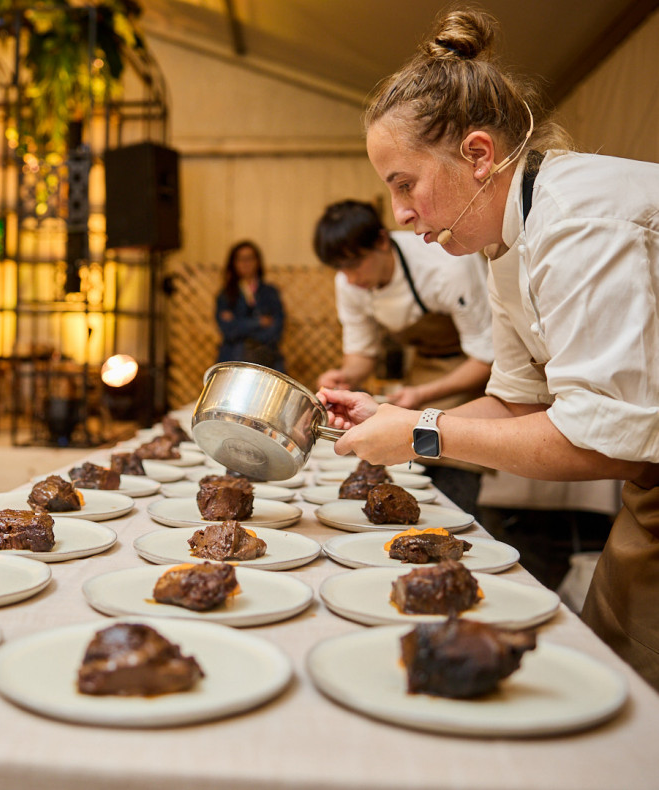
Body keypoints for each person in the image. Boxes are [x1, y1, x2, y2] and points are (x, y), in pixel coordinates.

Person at [318, 9, 659, 688]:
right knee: (617, 667)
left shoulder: (579, 224)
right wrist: (384, 418)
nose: (400, 217)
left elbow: (605, 442)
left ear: (477, 154)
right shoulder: (504, 238)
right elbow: (512, 400)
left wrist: (420, 433)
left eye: (403, 184)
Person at [313, 199, 493, 512]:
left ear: (382, 241)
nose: (350, 278)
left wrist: (422, 394)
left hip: (471, 376)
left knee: (454, 485)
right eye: (340, 269)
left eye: (355, 264)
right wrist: (345, 377)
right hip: (421, 372)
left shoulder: (447, 267)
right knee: (411, 483)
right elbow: (362, 354)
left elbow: (486, 359)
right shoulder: (348, 282)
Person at [215, 240, 286, 373]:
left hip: (267, 361)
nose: (246, 263)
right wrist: (259, 322)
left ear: (257, 261)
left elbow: (276, 330)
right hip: (233, 362)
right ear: (233, 263)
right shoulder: (225, 296)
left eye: (250, 258)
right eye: (241, 259)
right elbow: (228, 331)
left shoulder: (270, 293)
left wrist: (238, 323)